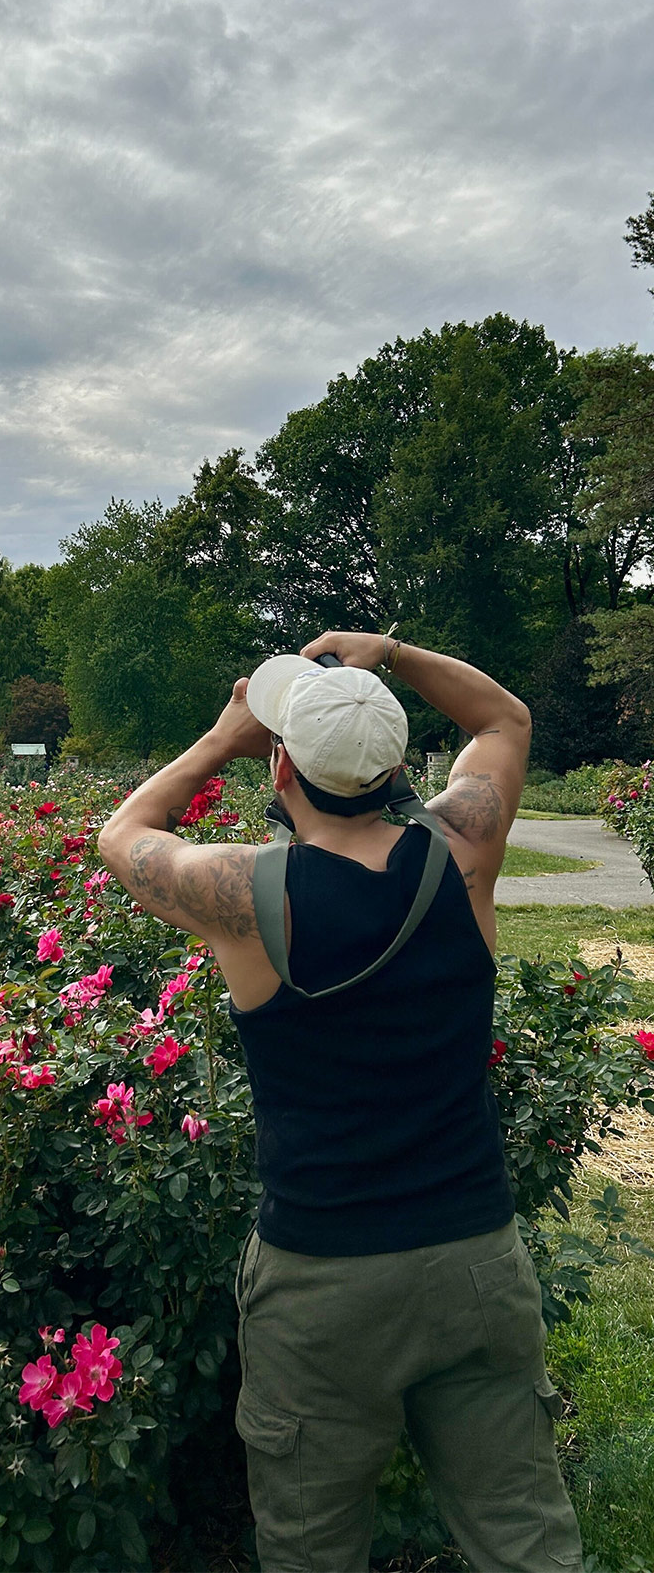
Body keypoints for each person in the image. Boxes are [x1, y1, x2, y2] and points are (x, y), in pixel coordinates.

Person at [98, 631, 583, 1573]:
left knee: (312, 1545)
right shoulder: (464, 851)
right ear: (399, 762)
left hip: (321, 1283)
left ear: (281, 765)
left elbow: (122, 838)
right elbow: (504, 718)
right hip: (475, 1258)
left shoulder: (245, 893)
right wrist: (390, 653)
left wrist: (218, 737)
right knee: (524, 1534)